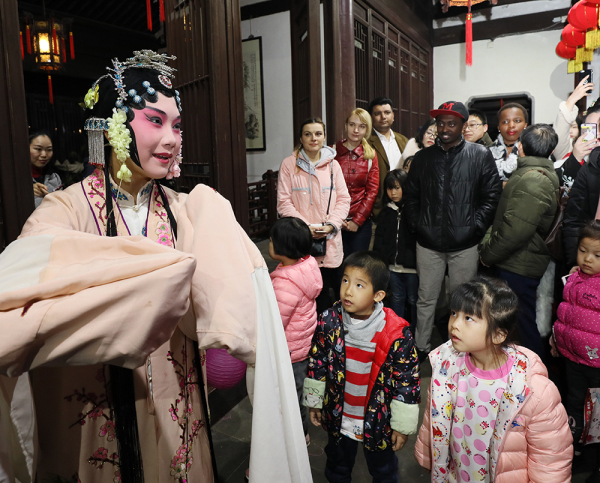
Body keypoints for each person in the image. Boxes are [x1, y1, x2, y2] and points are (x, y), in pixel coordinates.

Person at [0, 50, 312, 483]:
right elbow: (19, 305)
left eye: (176, 125)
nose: (171, 138)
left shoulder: (191, 212)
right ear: (109, 128)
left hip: (172, 399)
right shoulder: (63, 211)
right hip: (92, 410)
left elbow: (236, 310)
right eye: (154, 120)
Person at [414, 276, 573, 483]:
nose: (454, 324)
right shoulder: (447, 366)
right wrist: (431, 458)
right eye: (454, 313)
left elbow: (550, 460)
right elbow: (434, 417)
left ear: (498, 335)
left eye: (468, 318)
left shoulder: (532, 391)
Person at [303, 251, 420, 482]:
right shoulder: (329, 321)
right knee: (337, 466)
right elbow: (317, 362)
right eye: (345, 280)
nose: (348, 290)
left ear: (378, 295)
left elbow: (407, 382)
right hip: (339, 415)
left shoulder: (395, 333)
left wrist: (401, 426)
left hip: (378, 420)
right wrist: (315, 401)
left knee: (384, 470)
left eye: (359, 285)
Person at [403, 101, 502, 358]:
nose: (444, 128)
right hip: (427, 242)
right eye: (440, 123)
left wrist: (475, 227)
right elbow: (411, 197)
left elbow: (491, 196)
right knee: (426, 299)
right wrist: (418, 225)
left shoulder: (479, 155)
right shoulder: (423, 158)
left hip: (465, 244)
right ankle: (421, 348)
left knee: (462, 303)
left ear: (463, 125)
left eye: (451, 123)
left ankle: (458, 351)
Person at [479, 124, 560, 360]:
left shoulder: (533, 180)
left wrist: (487, 253)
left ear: (521, 147)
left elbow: (514, 232)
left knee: (521, 326)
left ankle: (535, 377)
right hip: (520, 261)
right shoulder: (536, 173)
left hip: (519, 264)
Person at [277, 117, 351, 315]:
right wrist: (305, 228)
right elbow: (284, 202)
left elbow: (344, 199)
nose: (313, 138)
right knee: (306, 295)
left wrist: (330, 226)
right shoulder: (289, 165)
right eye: (308, 134)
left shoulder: (333, 166)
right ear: (301, 138)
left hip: (330, 239)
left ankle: (331, 336)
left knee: (333, 292)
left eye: (318, 134)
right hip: (302, 241)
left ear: (324, 137)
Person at [552, 220, 600, 481]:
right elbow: (566, 313)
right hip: (572, 358)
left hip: (597, 366)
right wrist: (556, 338)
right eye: (583, 251)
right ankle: (573, 450)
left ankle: (593, 459)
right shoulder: (574, 275)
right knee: (574, 404)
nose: (588, 259)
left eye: (597, 255)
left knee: (597, 415)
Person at [269, 217, 323, 444]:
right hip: (303, 346)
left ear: (281, 248)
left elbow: (275, 322)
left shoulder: (286, 284)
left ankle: (299, 438)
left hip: (290, 351)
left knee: (291, 397)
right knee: (297, 392)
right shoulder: (307, 266)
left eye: (272, 240)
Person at [373, 169, 418, 329]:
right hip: (392, 266)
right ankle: (396, 331)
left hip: (412, 267)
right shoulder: (386, 212)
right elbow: (379, 240)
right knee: (397, 298)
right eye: (390, 188)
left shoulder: (413, 210)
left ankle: (413, 332)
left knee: (414, 300)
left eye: (397, 188)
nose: (393, 192)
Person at [334, 108, 379, 256]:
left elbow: (372, 191)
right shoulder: (331, 152)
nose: (356, 130)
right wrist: (336, 219)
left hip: (360, 222)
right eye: (352, 124)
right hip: (334, 221)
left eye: (362, 126)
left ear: (367, 129)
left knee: (356, 268)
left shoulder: (370, 155)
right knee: (334, 271)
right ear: (346, 125)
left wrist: (357, 220)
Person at [367, 97, 409, 219]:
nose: (383, 117)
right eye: (377, 113)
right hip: (378, 207)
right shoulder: (366, 143)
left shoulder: (403, 140)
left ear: (393, 116)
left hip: (404, 206)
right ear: (371, 117)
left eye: (387, 112)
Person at [553, 75, 594, 162]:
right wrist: (572, 100)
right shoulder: (566, 149)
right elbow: (562, 127)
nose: (570, 130)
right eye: (569, 127)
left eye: (574, 127)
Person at [489, 102, 529, 181]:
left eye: (517, 121)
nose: (511, 125)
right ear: (498, 127)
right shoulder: (487, 152)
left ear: (525, 124)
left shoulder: (533, 149)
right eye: (505, 122)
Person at [30, 130, 62, 208]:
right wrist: (27, 190)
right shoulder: (15, 179)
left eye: (49, 150)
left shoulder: (55, 177)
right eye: (38, 149)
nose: (44, 155)